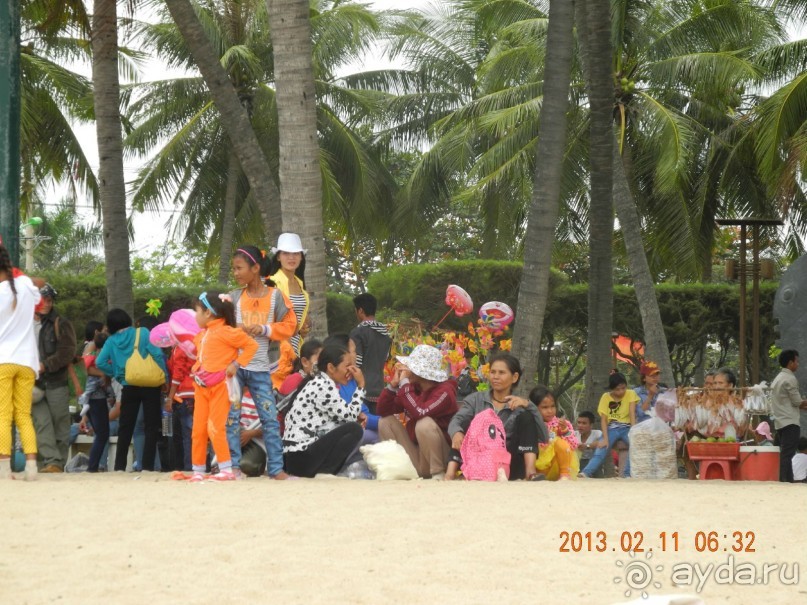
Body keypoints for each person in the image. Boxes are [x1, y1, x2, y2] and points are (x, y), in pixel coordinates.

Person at [229, 244, 297, 479]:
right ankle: (233, 467)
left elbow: (290, 325)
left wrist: (265, 328)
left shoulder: (276, 296)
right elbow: (221, 328)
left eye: (239, 268)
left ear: (255, 268)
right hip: (234, 367)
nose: (235, 273)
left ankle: (276, 469)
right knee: (232, 417)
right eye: (234, 269)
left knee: (269, 418)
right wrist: (239, 328)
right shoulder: (234, 297)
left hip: (261, 368)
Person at [188, 291, 258, 482]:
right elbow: (201, 356)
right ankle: (198, 470)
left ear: (208, 313)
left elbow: (251, 346)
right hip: (201, 387)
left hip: (220, 386)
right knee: (198, 429)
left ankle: (226, 468)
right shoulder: (201, 335)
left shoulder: (228, 332)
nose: (195, 316)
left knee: (216, 427)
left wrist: (236, 364)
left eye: (197, 311)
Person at [446, 353, 548, 480]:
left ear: (514, 377)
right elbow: (456, 420)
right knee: (465, 424)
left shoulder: (521, 406)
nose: (495, 377)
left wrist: (529, 405)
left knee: (526, 417)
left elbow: (544, 437)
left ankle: (530, 473)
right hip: (479, 460)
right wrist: (456, 432)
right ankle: (450, 474)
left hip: (509, 463)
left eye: (501, 373)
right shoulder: (476, 400)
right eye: (493, 372)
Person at [96, 309, 167, 472]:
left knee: (126, 427)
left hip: (128, 385)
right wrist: (164, 377)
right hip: (150, 385)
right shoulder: (142, 333)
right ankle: (148, 466)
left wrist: (118, 373)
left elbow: (100, 362)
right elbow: (156, 354)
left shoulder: (111, 341)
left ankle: (119, 466)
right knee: (150, 426)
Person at [377, 344, 458, 479]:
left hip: (440, 456)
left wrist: (404, 384)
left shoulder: (445, 392)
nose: (405, 369)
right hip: (418, 455)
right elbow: (383, 410)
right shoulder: (413, 388)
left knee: (424, 423)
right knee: (385, 422)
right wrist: (392, 386)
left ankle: (438, 473)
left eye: (410, 367)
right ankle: (398, 469)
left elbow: (420, 411)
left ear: (421, 371)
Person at [282, 345, 365, 478]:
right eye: (347, 366)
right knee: (354, 429)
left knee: (349, 426)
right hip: (300, 457)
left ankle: (324, 471)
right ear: (331, 368)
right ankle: (325, 472)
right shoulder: (323, 386)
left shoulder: (320, 382)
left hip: (295, 457)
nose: (350, 371)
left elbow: (335, 419)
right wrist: (360, 386)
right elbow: (350, 416)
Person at [0, 244, 41, 480]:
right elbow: (39, 287)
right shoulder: (25, 284)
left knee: (3, 415)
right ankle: (31, 467)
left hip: (3, 360)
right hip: (27, 361)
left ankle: (5, 470)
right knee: (24, 415)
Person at [32, 283, 77, 473]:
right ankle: (50, 461)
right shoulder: (22, 323)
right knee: (41, 423)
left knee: (60, 424)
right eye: (43, 300)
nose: (47, 304)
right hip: (32, 383)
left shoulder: (61, 323)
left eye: (49, 300)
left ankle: (56, 464)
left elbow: (67, 352)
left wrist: (44, 366)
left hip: (55, 381)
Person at [268, 233, 311, 384]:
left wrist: (302, 329)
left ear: (301, 257)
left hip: (296, 351)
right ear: (278, 257)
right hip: (276, 352)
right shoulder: (271, 283)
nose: (291, 257)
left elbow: (300, 320)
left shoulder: (300, 285)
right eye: (286, 253)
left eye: (295, 253)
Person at [78, 331, 116, 472]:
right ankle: (92, 466)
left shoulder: (89, 358)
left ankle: (92, 466)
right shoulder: (102, 359)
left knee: (99, 434)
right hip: (98, 399)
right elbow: (104, 382)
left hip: (90, 399)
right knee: (102, 434)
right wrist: (111, 395)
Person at [349, 293, 391, 414]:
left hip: (362, 388)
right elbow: (386, 358)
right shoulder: (385, 334)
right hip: (379, 387)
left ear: (360, 310)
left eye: (355, 310)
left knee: (363, 424)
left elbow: (356, 361)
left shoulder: (357, 333)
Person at [769, 350, 807, 482]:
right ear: (790, 363)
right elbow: (798, 402)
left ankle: (788, 480)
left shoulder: (777, 378)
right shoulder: (790, 378)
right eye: (796, 361)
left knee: (785, 453)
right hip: (790, 422)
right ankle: (784, 480)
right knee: (788, 454)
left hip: (780, 422)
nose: (798, 364)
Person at [530, 386, 579, 480]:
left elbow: (574, 445)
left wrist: (565, 431)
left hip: (556, 467)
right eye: (545, 407)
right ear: (534, 408)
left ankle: (564, 475)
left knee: (559, 442)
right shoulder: (531, 424)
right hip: (538, 466)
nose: (550, 411)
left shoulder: (561, 424)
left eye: (552, 406)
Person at [597, 372, 638, 478]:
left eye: (623, 388)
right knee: (601, 447)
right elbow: (604, 420)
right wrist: (605, 439)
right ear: (611, 389)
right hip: (612, 427)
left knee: (635, 444)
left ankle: (626, 474)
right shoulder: (606, 397)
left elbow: (632, 413)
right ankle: (586, 472)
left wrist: (633, 432)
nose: (621, 392)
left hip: (627, 427)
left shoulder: (631, 393)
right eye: (617, 389)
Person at [164, 341, 196, 471]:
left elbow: (177, 375)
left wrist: (170, 398)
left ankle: (188, 466)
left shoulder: (180, 349)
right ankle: (196, 464)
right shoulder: (194, 345)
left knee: (185, 434)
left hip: (184, 393)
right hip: (195, 391)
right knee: (192, 432)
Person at [575, 410, 608, 478]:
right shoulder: (574, 434)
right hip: (577, 463)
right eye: (579, 422)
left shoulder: (597, 433)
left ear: (591, 425)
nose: (580, 425)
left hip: (593, 463)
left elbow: (602, 442)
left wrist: (587, 446)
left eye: (584, 423)